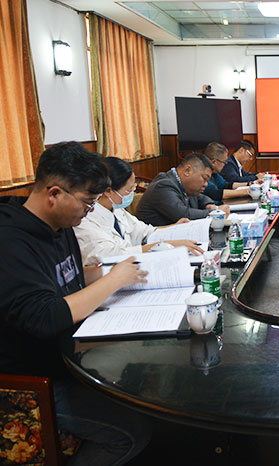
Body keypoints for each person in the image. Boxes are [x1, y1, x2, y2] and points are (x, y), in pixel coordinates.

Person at [0, 142, 152, 465]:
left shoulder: (61, 225)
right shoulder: (11, 242)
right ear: (54, 193)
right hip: (33, 380)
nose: (90, 211)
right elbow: (45, 316)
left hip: (70, 356)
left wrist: (116, 272)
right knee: (131, 433)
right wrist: (113, 280)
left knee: (144, 380)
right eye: (87, 202)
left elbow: (72, 277)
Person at [74, 157, 204, 265]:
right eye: (129, 190)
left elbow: (144, 231)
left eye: (133, 188)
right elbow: (108, 255)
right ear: (108, 191)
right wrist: (163, 245)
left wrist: (174, 228)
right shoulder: (84, 219)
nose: (132, 193)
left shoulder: (117, 210)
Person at [135, 152, 228, 226]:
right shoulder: (163, 186)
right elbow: (183, 214)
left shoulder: (185, 186)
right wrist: (215, 213)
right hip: (156, 242)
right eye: (204, 178)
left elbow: (200, 197)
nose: (206, 184)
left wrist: (209, 204)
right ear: (187, 171)